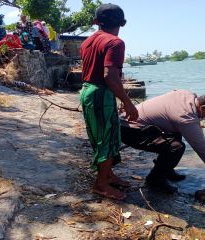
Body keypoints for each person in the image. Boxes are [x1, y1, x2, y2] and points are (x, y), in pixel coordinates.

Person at [120, 90, 205, 193]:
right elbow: (202, 146)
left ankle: (167, 170)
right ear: (203, 107)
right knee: (176, 147)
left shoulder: (187, 95)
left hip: (134, 123)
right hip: (130, 130)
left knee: (177, 132)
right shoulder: (185, 117)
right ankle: (154, 180)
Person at [79, 3, 138, 200]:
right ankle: (101, 184)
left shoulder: (86, 42)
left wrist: (117, 96)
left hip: (88, 91)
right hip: (101, 93)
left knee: (103, 136)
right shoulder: (115, 42)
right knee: (107, 137)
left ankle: (108, 175)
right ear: (123, 23)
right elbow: (110, 76)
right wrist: (128, 102)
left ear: (96, 22)